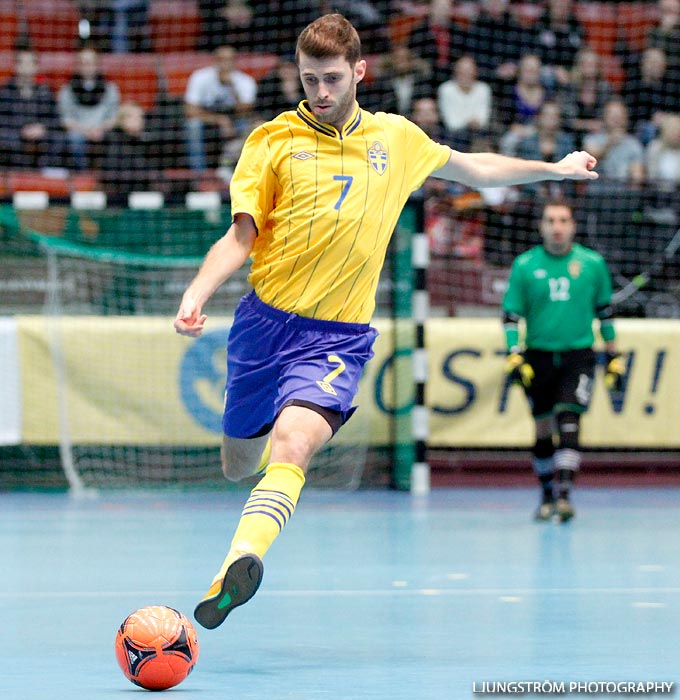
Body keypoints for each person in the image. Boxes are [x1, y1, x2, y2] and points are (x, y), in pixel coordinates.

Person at [173, 13, 599, 630]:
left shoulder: (395, 139)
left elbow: (473, 168)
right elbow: (241, 236)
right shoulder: (271, 141)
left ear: (359, 72)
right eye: (309, 79)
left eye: (331, 78)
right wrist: (197, 290)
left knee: (293, 444)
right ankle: (249, 513)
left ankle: (238, 563)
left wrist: (553, 169)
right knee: (238, 464)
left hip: (337, 338)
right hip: (263, 327)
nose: (320, 92)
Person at [501, 197, 624, 523]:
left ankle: (566, 497)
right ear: (542, 226)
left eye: (563, 221)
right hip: (538, 354)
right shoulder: (525, 265)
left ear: (573, 226)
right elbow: (511, 316)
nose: (557, 227)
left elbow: (605, 312)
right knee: (542, 429)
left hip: (579, 354)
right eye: (551, 221)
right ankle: (546, 496)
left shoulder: (592, 263)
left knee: (570, 419)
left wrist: (613, 355)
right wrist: (514, 353)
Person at [183, 44, 257, 171]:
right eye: (221, 60)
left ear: (235, 62)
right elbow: (190, 111)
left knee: (253, 128)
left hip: (236, 121)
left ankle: (238, 172)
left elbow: (246, 111)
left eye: (229, 60)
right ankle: (199, 174)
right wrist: (219, 120)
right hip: (207, 121)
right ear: (214, 61)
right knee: (192, 126)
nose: (225, 64)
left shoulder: (245, 81)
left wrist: (232, 88)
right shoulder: (200, 77)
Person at [0, 43, 64, 169]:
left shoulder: (45, 91)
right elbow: (2, 120)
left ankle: (47, 177)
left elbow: (56, 119)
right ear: (16, 66)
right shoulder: (5, 92)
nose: (26, 67)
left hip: (41, 137)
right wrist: (22, 130)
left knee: (58, 139)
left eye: (30, 63)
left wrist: (42, 128)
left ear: (36, 66)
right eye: (22, 63)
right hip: (14, 137)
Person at [58, 43, 120, 170]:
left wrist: (99, 129)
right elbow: (66, 121)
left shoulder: (110, 89)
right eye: (83, 63)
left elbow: (113, 118)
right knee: (74, 139)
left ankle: (105, 174)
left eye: (90, 62)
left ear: (98, 64)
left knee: (115, 138)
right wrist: (86, 131)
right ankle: (81, 174)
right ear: (77, 65)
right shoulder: (67, 90)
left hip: (102, 131)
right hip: (79, 131)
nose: (87, 67)